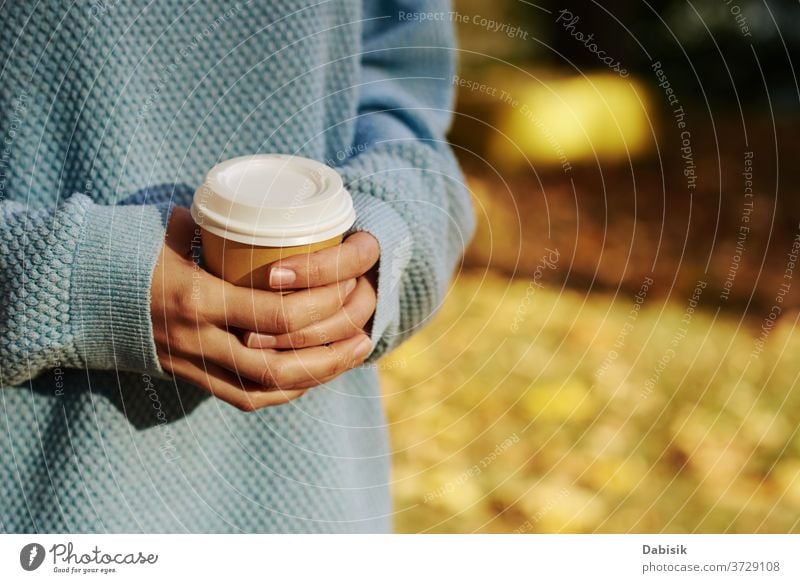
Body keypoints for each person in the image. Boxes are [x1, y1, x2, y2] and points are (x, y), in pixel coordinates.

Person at [0, 0, 474, 532]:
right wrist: (71, 277)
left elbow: (406, 102)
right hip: (50, 511)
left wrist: (387, 228)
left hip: (313, 502)